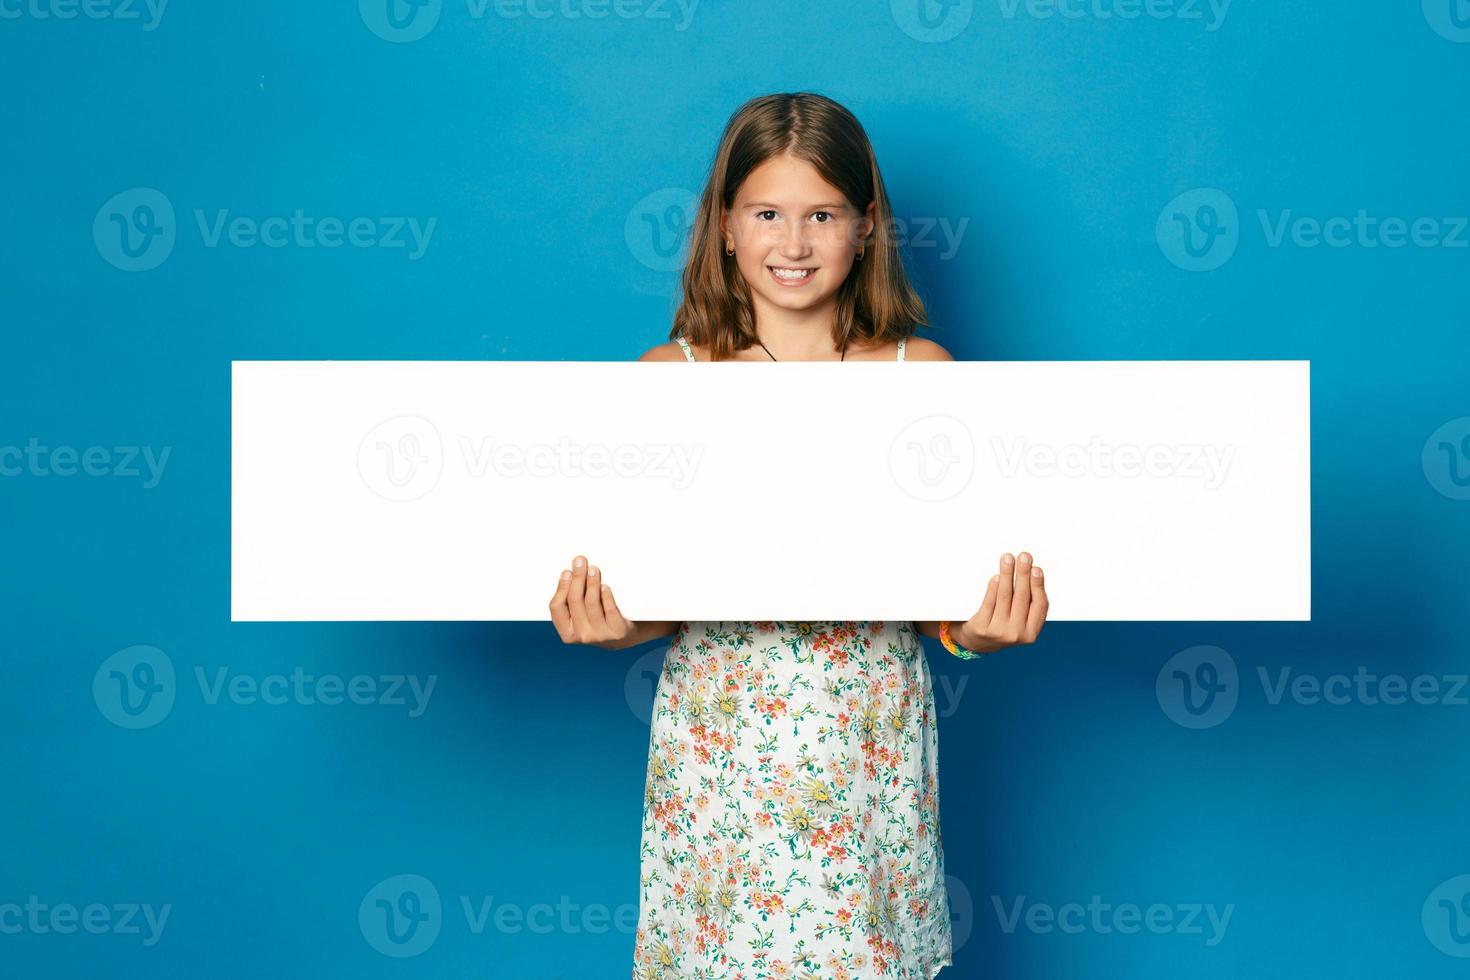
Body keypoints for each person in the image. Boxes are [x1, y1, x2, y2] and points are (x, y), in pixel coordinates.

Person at [547, 92, 1048, 979]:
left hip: (865, 734)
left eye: (823, 214)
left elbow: (945, 605)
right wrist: (612, 625)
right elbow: (662, 599)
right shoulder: (671, 377)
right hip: (723, 736)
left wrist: (975, 639)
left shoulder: (920, 374)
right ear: (726, 228)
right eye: (768, 214)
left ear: (865, 229)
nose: (794, 242)